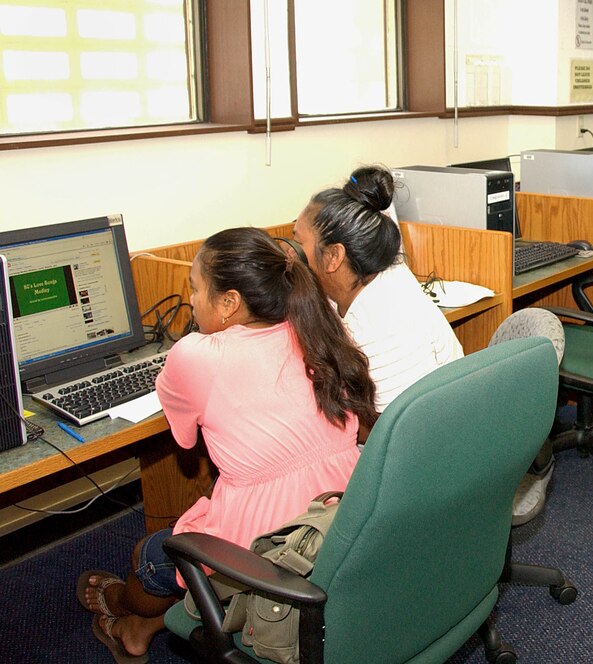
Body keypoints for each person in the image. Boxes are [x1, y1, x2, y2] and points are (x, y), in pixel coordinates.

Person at [79, 228, 377, 661]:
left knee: (152, 555)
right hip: (342, 520)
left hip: (271, 546)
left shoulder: (196, 355)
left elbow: (184, 439)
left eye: (196, 289)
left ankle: (121, 606)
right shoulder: (319, 332)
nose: (191, 301)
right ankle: (142, 627)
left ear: (229, 302)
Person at [293, 165, 464, 413]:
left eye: (298, 243)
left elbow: (394, 427)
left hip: (428, 429)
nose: (291, 254)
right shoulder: (376, 274)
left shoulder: (382, 325)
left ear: (333, 257)